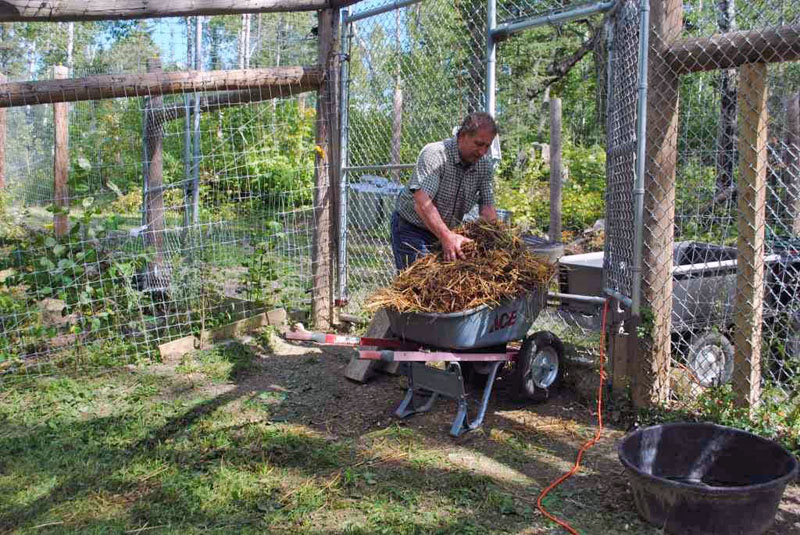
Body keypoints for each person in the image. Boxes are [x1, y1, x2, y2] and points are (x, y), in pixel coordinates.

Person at [391, 112, 499, 270]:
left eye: (487, 146)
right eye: (478, 144)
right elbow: (422, 203)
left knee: (446, 288)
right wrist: (446, 236)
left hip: (446, 231)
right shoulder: (435, 154)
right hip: (412, 228)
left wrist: (496, 240)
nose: (482, 151)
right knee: (420, 286)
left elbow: (488, 209)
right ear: (462, 135)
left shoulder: (483, 165)